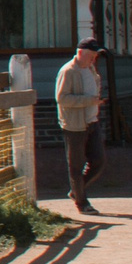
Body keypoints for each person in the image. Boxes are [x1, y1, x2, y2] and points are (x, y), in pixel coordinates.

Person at [55, 39, 108, 216]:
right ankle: (82, 202)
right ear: (80, 53)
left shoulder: (90, 69)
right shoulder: (68, 71)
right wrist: (88, 101)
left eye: (95, 56)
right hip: (74, 125)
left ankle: (76, 191)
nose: (94, 59)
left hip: (92, 121)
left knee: (98, 160)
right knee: (76, 165)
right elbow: (62, 98)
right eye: (91, 55)